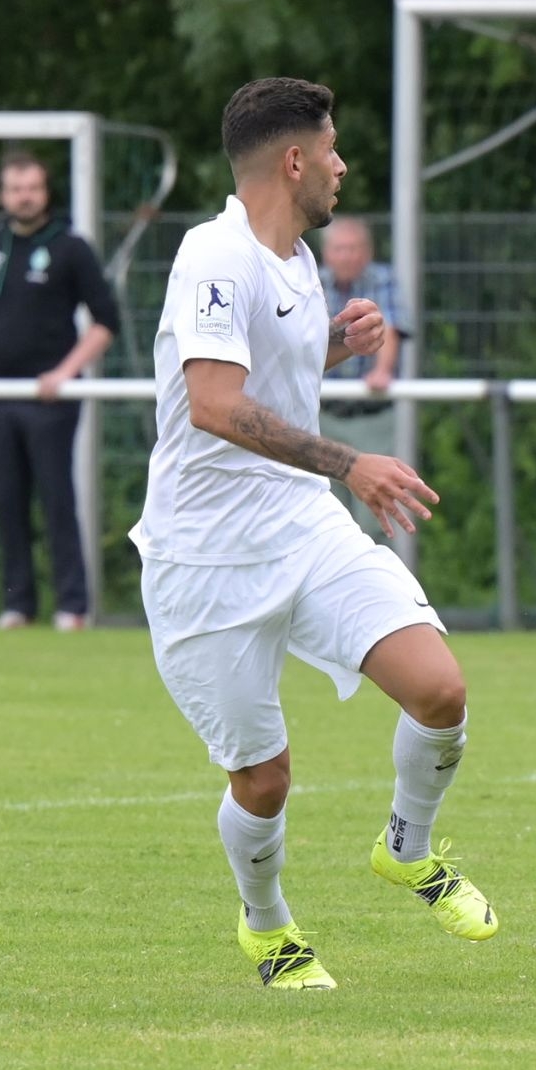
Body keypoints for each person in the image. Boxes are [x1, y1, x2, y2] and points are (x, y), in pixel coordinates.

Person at [131, 77, 497, 991]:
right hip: (204, 559)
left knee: (440, 690)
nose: (343, 166)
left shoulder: (296, 258)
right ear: (294, 161)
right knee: (265, 781)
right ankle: (268, 927)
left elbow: (266, 368)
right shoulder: (215, 256)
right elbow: (215, 405)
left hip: (301, 526)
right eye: (332, 150)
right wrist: (351, 463)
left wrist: (334, 343)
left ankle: (407, 849)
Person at [0, 152, 123, 631]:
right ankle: (18, 605)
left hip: (50, 400)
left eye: (32, 187)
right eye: (15, 189)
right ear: (2, 195)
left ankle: (72, 605)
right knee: (6, 502)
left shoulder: (71, 247)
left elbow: (105, 321)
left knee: (57, 499)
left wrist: (65, 373)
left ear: (46, 192)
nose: (24, 197)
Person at [317, 215, 409, 535]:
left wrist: (382, 371)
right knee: (326, 520)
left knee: (375, 521)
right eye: (340, 249)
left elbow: (387, 328)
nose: (347, 256)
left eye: (353, 248)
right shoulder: (312, 281)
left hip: (371, 416)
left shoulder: (381, 280)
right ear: (327, 253)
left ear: (367, 252)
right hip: (324, 416)